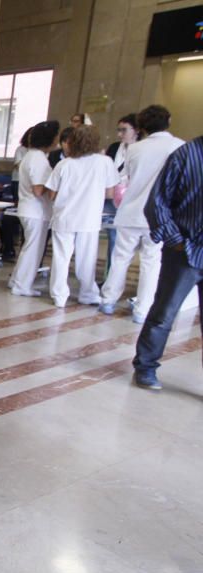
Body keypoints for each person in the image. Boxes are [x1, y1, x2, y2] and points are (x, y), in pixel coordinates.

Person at [131, 135, 203, 391]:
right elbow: (157, 203)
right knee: (164, 313)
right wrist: (176, 240)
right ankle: (146, 367)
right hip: (185, 251)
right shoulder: (186, 155)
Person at [100, 105, 184, 323]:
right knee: (151, 261)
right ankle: (142, 309)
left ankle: (108, 299)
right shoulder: (179, 147)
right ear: (169, 120)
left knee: (120, 257)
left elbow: (125, 178)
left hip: (130, 211)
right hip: (159, 215)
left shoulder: (135, 149)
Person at [45, 124, 119, 308]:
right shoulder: (105, 162)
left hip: (64, 216)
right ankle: (88, 293)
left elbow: (51, 194)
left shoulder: (64, 164)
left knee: (61, 257)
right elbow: (110, 193)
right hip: (89, 217)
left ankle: (59, 295)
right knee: (87, 258)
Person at [7, 121, 59, 297]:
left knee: (28, 247)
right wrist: (55, 182)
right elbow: (38, 190)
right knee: (33, 249)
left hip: (30, 209)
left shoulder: (31, 156)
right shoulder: (38, 158)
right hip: (35, 210)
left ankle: (16, 279)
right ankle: (22, 285)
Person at [102, 113, 139, 269]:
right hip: (112, 198)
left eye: (123, 130)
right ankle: (110, 275)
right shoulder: (115, 147)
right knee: (113, 236)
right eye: (118, 130)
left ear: (136, 130)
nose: (119, 134)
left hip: (133, 199)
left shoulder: (141, 149)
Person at [10, 127, 32, 203]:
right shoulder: (20, 149)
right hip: (18, 180)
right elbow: (18, 165)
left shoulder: (38, 151)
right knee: (18, 202)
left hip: (31, 182)